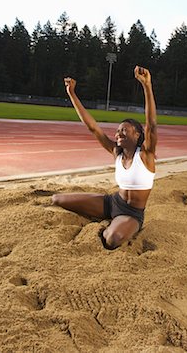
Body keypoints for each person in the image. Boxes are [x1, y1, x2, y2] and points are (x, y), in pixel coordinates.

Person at [52, 65, 157, 250]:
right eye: (117, 131)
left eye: (124, 130)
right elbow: (92, 127)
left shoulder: (146, 155)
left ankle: (116, 226)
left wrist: (147, 86)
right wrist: (71, 94)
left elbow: (151, 125)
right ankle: (112, 221)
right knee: (57, 200)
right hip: (111, 203)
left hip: (132, 214)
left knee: (112, 239)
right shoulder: (116, 153)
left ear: (137, 135)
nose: (118, 134)